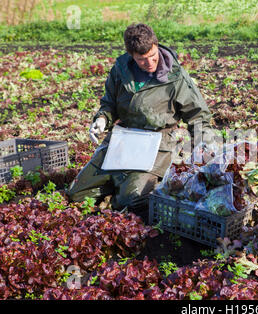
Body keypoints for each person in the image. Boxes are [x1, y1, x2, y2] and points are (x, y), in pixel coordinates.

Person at [66, 23, 214, 219]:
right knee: (77, 193)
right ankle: (116, 189)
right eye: (142, 60)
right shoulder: (120, 70)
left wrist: (205, 146)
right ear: (131, 56)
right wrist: (102, 119)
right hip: (123, 138)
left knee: (133, 201)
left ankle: (123, 194)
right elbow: (109, 103)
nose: (150, 63)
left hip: (157, 143)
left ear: (156, 45)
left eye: (153, 56)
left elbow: (199, 115)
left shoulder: (175, 77)